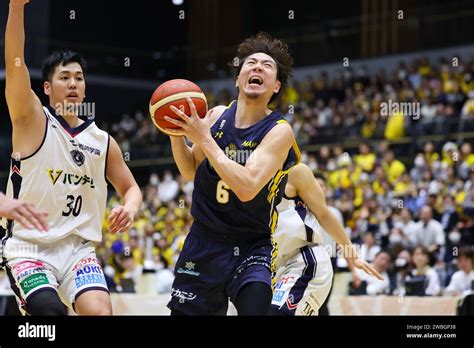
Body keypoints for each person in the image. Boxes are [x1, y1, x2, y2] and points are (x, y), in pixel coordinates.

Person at [1, 0, 142, 316]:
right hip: (28, 247)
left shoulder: (103, 142)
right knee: (50, 315)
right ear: (47, 88)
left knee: (101, 313)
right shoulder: (32, 120)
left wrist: (129, 208)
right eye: (65, 77)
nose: (74, 83)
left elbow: (131, 188)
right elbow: (15, 63)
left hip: (79, 250)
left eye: (79, 77)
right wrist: (16, 8)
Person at [164, 32, 299, 315]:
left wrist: (205, 140)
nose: (258, 67)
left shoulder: (279, 130)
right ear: (238, 79)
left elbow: (248, 186)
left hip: (251, 245)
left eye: (267, 65)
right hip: (203, 241)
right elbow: (189, 170)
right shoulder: (214, 117)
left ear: (275, 86)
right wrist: (175, 132)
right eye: (251, 62)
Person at [271, 163, 383, 315]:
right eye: (318, 184)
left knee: (322, 308)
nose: (320, 188)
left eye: (323, 185)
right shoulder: (288, 206)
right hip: (278, 264)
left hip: (317, 260)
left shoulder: (331, 213)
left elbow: (341, 242)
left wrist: (353, 264)